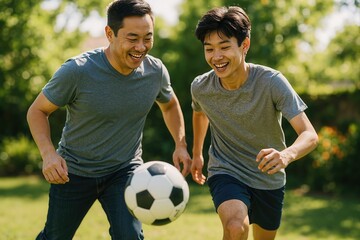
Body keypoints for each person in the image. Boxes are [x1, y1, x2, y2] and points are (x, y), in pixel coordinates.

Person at [27, 0, 191, 239]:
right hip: (74, 171)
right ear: (109, 34)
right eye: (132, 38)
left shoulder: (155, 72)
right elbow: (37, 111)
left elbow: (170, 105)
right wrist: (48, 154)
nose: (141, 47)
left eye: (148, 37)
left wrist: (180, 144)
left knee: (130, 236)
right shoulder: (78, 71)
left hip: (124, 171)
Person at [190, 6, 318, 240]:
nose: (216, 57)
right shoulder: (201, 87)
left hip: (268, 177)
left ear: (244, 45)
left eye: (224, 47)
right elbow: (200, 113)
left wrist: (286, 155)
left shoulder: (272, 82)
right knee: (236, 227)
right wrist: (197, 153)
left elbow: (309, 134)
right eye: (209, 49)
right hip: (225, 169)